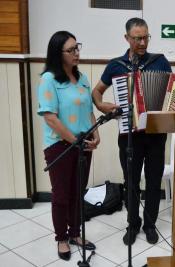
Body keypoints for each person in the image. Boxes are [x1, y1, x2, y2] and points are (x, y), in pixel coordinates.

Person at [92, 17, 175, 246]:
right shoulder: (116, 66)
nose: (143, 42)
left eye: (146, 37)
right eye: (137, 38)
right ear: (127, 38)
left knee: (153, 181)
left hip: (156, 135)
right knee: (130, 181)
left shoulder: (160, 62)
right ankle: (133, 223)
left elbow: (173, 93)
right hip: (129, 136)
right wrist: (103, 106)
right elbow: (97, 93)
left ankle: (150, 224)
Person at [37, 31, 99, 261]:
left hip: (82, 144)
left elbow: (89, 110)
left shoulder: (82, 77)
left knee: (77, 192)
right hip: (60, 146)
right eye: (71, 50)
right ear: (58, 53)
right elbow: (50, 117)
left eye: (77, 47)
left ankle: (75, 233)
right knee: (62, 195)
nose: (77, 53)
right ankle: (61, 238)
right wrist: (75, 141)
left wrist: (96, 133)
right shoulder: (48, 79)